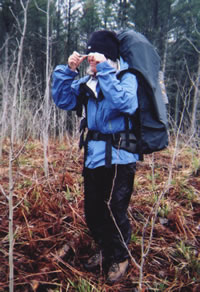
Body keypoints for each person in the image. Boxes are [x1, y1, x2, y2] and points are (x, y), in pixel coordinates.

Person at [51, 30, 139, 284]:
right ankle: (105, 247)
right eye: (89, 56)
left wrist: (105, 71)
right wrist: (67, 70)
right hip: (94, 155)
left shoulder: (126, 77)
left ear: (108, 56)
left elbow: (125, 103)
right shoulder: (88, 82)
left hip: (121, 156)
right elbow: (63, 100)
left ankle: (120, 257)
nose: (91, 61)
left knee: (115, 209)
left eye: (95, 56)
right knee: (93, 209)